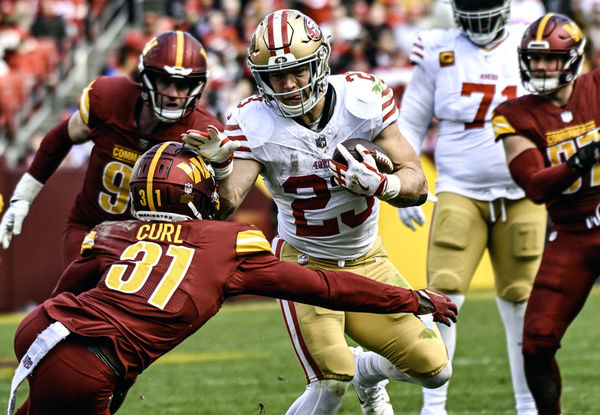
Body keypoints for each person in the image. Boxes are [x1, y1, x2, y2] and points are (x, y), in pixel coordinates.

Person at [7, 142, 458, 415]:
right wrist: (409, 299)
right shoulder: (226, 245)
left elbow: (67, 290)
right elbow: (325, 286)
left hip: (47, 332)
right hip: (92, 362)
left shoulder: (112, 233)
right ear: (195, 193)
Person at [183, 8, 453, 415]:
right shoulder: (253, 120)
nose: (289, 85)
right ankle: (353, 373)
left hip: (369, 260)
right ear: (261, 77)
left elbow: (416, 183)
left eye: (299, 71)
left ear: (321, 62)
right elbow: (227, 203)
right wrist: (220, 169)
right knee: (330, 382)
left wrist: (382, 185)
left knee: (435, 370)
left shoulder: (362, 98)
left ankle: (368, 373)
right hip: (305, 265)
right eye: (277, 76)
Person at [395, 1, 548, 414]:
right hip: (460, 189)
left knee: (521, 302)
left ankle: (527, 406)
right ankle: (434, 406)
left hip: (524, 192)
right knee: (444, 295)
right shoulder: (437, 50)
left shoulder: (531, 42)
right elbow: (409, 122)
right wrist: (405, 181)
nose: (479, 16)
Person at [0, 30, 222, 268]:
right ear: (147, 78)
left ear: (197, 86)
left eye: (183, 85)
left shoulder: (203, 132)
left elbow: (220, 204)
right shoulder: (109, 98)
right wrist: (23, 196)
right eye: (165, 81)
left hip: (153, 245)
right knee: (73, 302)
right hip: (92, 231)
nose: (173, 94)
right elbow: (62, 137)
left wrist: (223, 167)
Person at [492, 13, 594, 415]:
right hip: (572, 234)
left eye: (550, 59)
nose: (540, 67)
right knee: (536, 340)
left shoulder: (597, 86)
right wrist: (580, 160)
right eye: (534, 60)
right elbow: (533, 184)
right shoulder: (514, 113)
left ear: (573, 58)